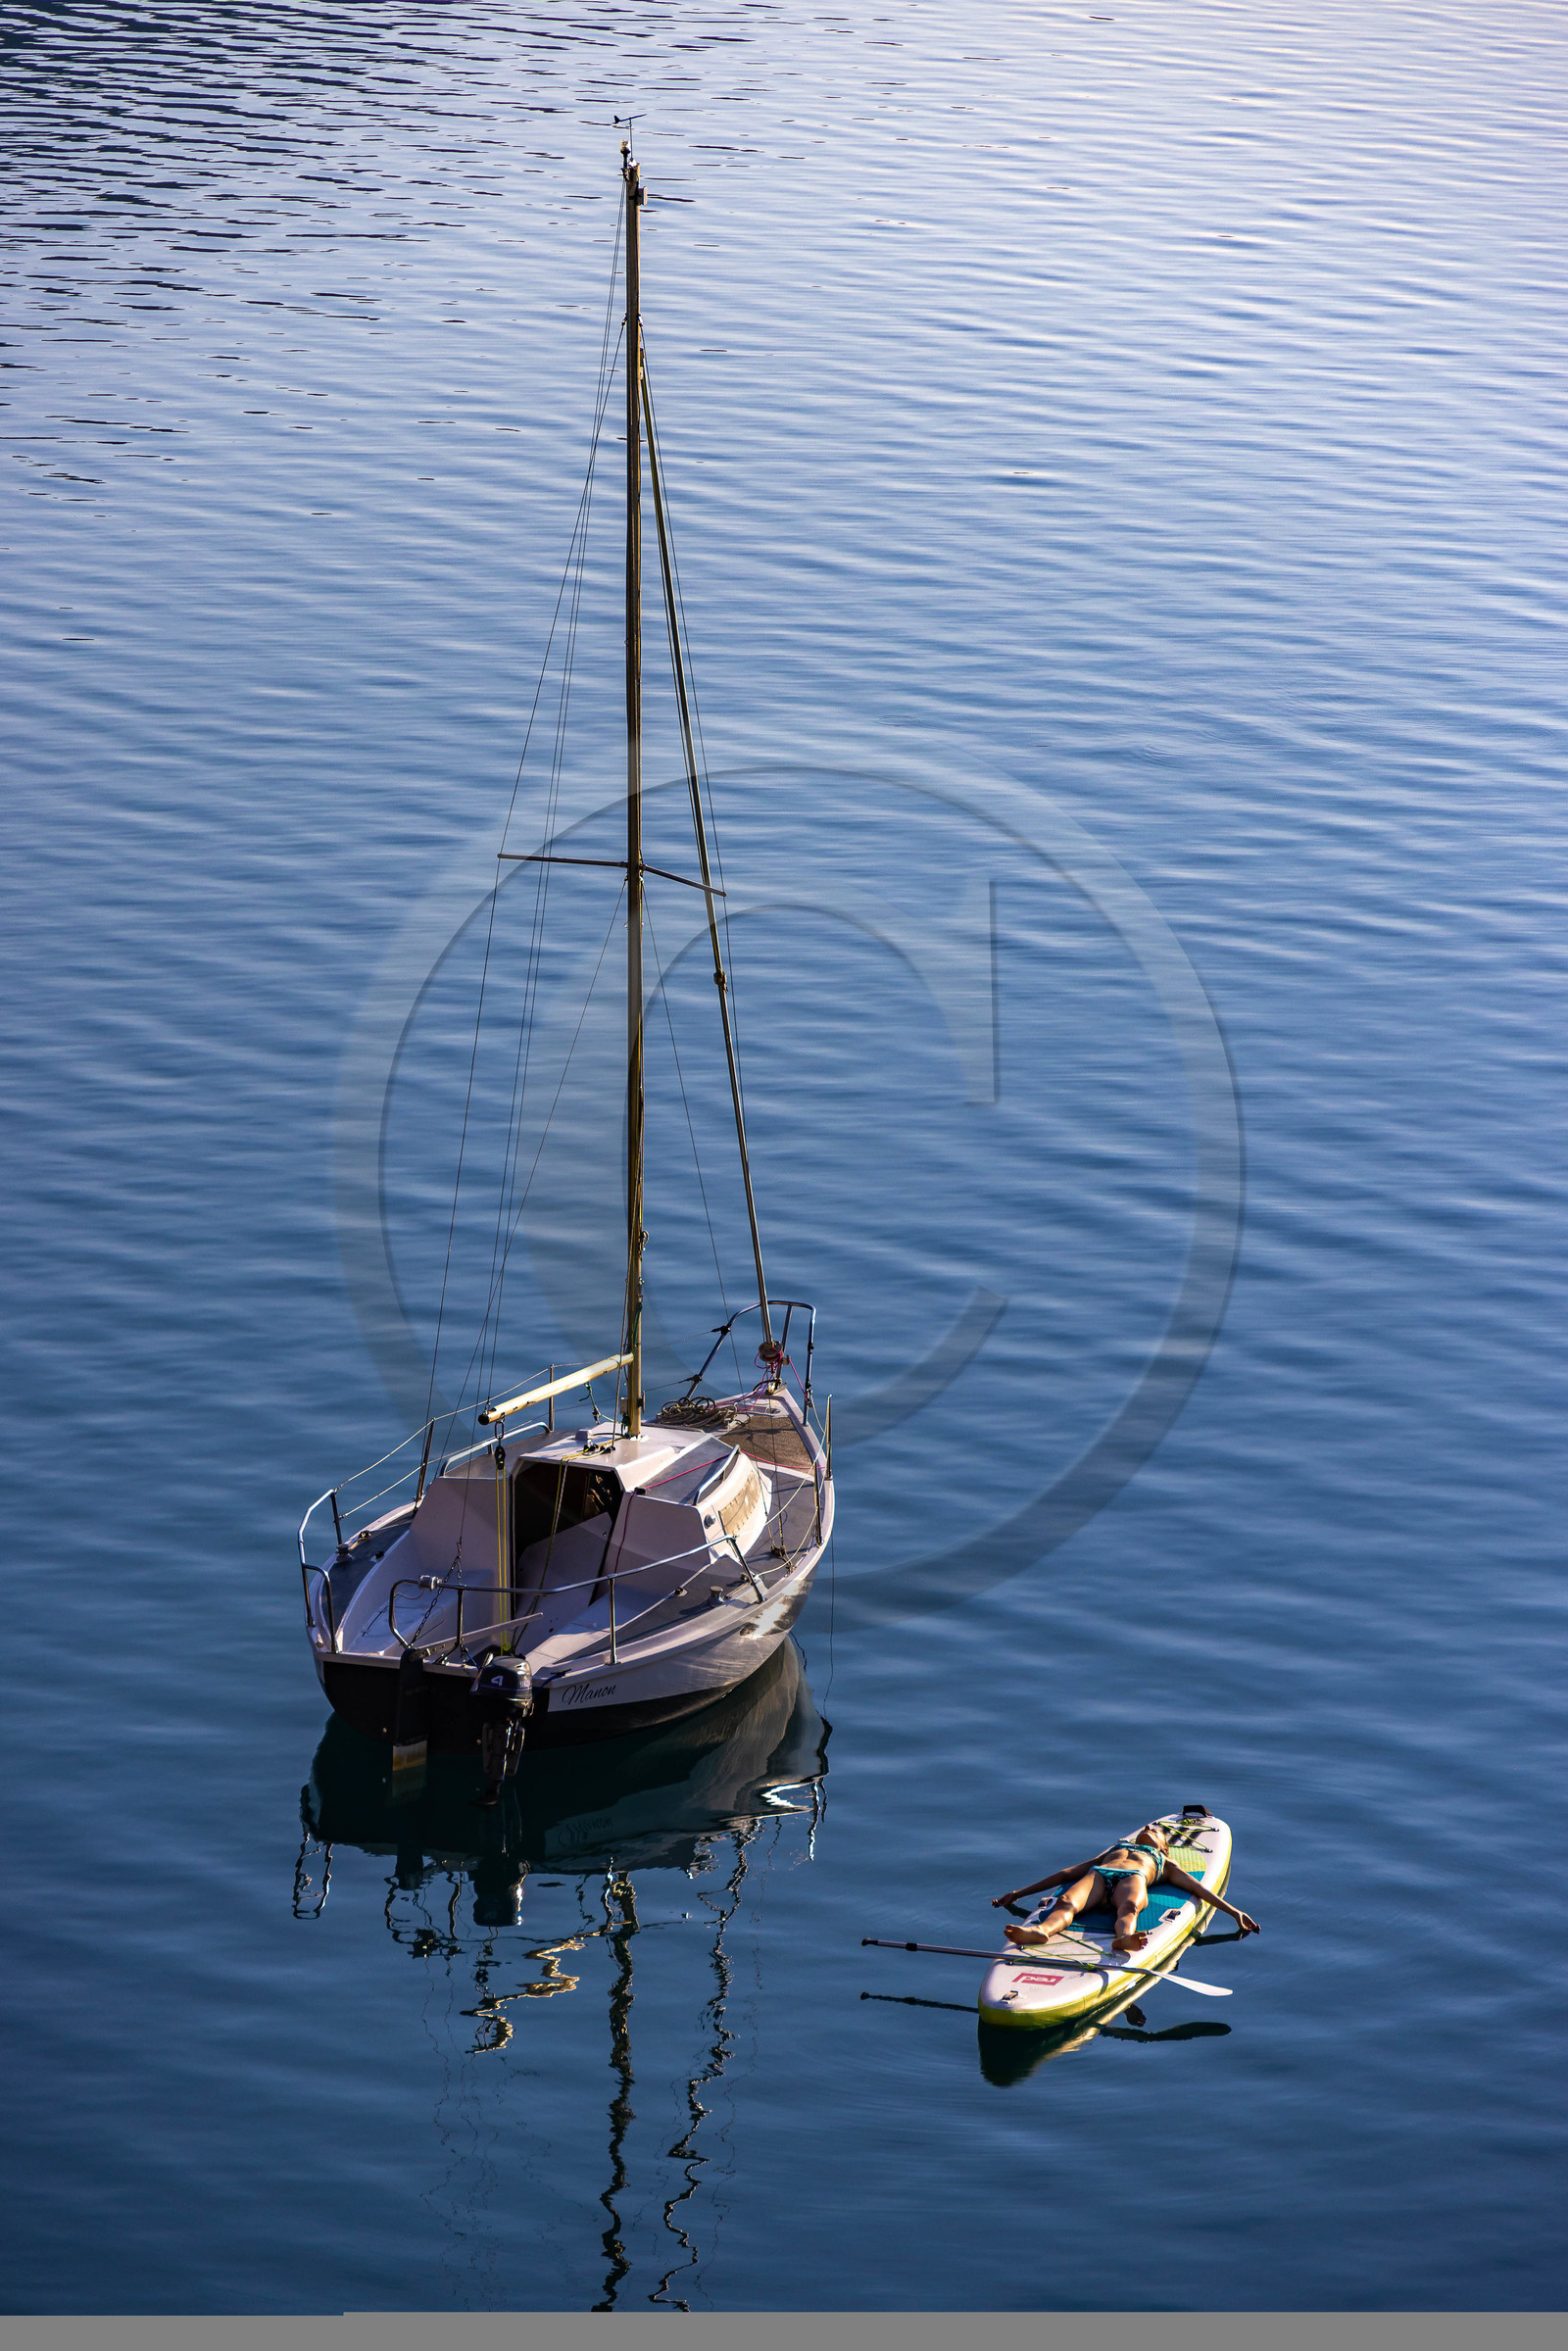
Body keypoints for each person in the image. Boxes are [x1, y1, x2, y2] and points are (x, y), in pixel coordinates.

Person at [992, 1821, 1260, 1954]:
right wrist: (1018, 1893)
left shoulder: (1164, 1862)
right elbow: (1067, 1873)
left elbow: (1199, 1889)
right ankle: (1041, 1931)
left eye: (1155, 1829)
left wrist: (1234, 1912)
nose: (1148, 1826)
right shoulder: (1117, 1848)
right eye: (1149, 1825)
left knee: (1129, 1907)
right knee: (1066, 1903)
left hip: (1133, 1878)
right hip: (1099, 1875)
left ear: (1163, 1845)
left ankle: (1122, 1939)